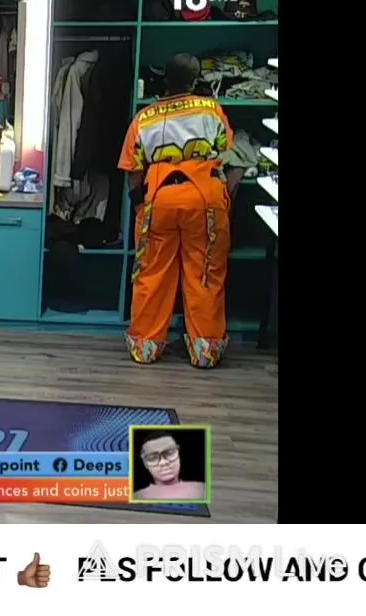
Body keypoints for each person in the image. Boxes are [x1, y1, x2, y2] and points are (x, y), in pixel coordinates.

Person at [118, 54, 244, 368]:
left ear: (164, 79)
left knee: (152, 273)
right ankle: (205, 351)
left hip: (160, 198)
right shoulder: (211, 110)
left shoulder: (144, 118)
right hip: (205, 199)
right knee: (205, 274)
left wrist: (140, 205)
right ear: (194, 80)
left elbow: (132, 170)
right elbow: (229, 155)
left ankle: (145, 347)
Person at [133, 430, 205, 501]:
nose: (163, 462)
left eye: (169, 453)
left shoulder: (202, 489)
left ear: (178, 454)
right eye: (153, 458)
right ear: (145, 463)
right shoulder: (137, 497)